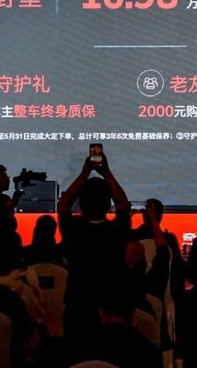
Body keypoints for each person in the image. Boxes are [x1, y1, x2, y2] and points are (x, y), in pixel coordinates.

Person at [56, 149, 132, 348]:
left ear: (80, 203)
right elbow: (123, 204)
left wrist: (84, 174)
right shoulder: (117, 230)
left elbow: (63, 204)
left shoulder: (73, 229)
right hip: (112, 305)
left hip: (78, 304)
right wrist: (106, 172)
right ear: (108, 204)